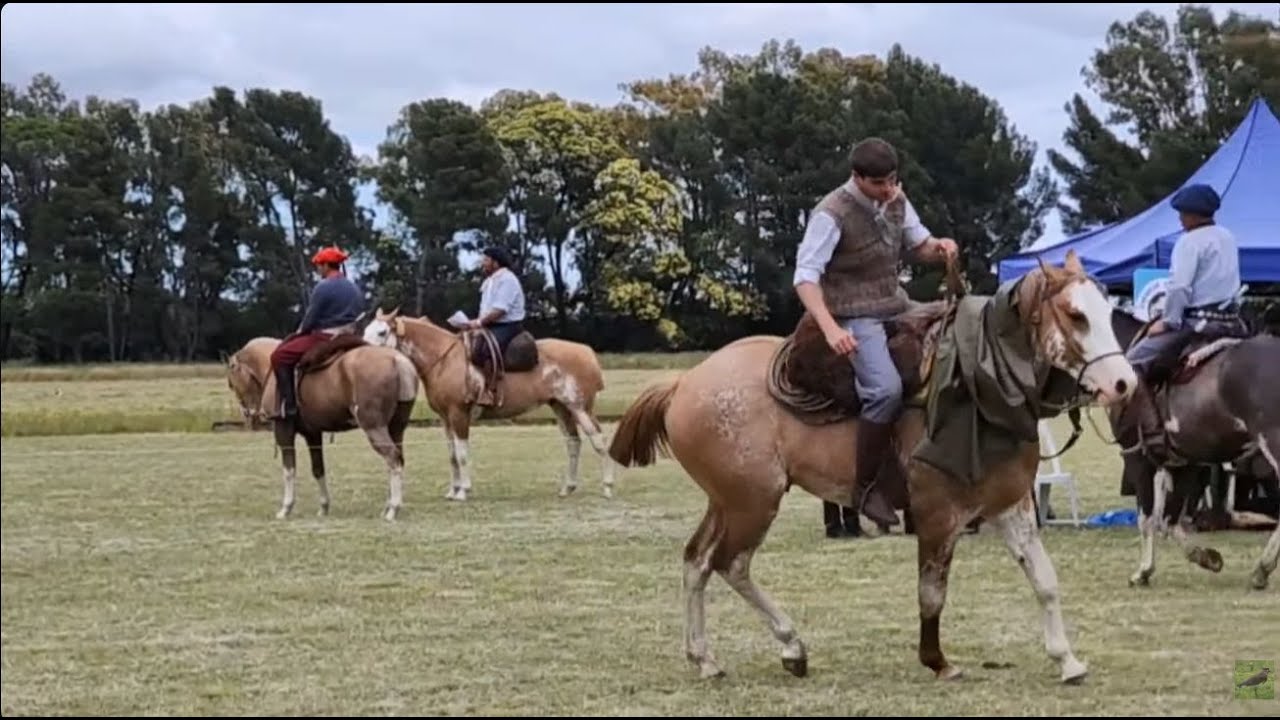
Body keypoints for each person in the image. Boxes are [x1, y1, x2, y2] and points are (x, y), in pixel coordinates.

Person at [793, 137, 959, 530]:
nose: (889, 190)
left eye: (892, 180)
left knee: (962, 327)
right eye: (879, 184)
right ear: (857, 178)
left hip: (896, 304)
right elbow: (804, 278)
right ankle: (865, 488)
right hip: (852, 314)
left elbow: (919, 245)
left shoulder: (896, 199)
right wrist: (831, 328)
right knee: (884, 391)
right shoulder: (831, 214)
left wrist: (940, 248)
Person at [1121, 183, 1243, 455]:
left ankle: (1153, 435)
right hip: (1233, 323)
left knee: (1131, 365)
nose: (1180, 219)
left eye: (1182, 213)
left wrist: (1168, 320)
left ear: (1193, 214)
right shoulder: (1228, 237)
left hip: (1197, 324)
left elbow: (1180, 288)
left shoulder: (1189, 242)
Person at [269, 245, 365, 420]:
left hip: (325, 336)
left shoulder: (323, 287)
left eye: (319, 265)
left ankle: (289, 406)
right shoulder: (354, 288)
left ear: (327, 266)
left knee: (279, 356)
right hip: (351, 335)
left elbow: (311, 318)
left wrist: (300, 332)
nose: (318, 269)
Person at [468, 246, 527, 406]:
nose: (483, 263)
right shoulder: (489, 281)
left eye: (486, 260)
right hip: (491, 324)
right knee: (472, 350)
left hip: (508, 325)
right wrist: (476, 324)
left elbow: (500, 309)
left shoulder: (508, 280)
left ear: (495, 262)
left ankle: (490, 391)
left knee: (487, 350)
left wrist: (480, 322)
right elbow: (485, 308)